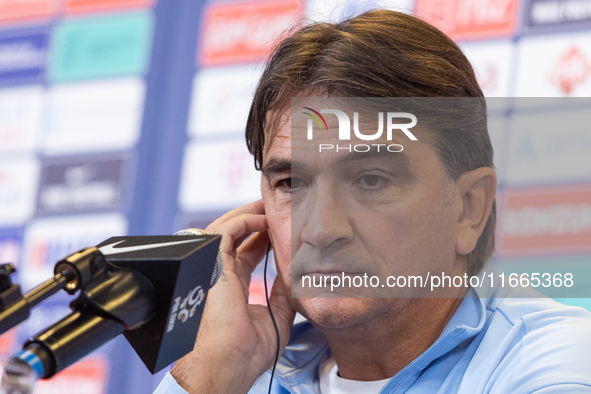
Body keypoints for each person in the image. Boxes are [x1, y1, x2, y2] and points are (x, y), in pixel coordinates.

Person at [154, 9, 591, 394]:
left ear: (469, 208)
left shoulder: (557, 365)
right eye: (290, 183)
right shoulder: (241, 374)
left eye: (370, 180)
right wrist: (212, 373)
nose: (320, 229)